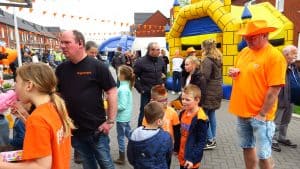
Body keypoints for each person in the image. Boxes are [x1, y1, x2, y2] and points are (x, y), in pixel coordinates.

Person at [228, 20, 287, 169]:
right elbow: (246, 74)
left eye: (252, 37)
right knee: (247, 147)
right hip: (242, 112)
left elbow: (274, 89)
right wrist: (235, 73)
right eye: (246, 37)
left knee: (264, 155)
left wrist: (262, 114)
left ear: (265, 35)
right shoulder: (244, 52)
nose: (247, 40)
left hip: (261, 117)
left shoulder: (274, 56)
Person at [56, 30, 117, 169]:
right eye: (61, 42)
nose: (62, 46)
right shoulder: (61, 69)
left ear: (80, 44)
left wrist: (110, 121)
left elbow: (112, 92)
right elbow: (57, 95)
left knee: (106, 164)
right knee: (88, 164)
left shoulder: (98, 66)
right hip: (75, 130)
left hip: (97, 129)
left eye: (67, 42)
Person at [0, 63, 75, 169]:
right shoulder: (56, 106)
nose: (14, 87)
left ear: (29, 85)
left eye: (16, 82)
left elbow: (41, 166)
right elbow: (47, 134)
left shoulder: (38, 119)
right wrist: (25, 116)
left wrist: (2, 165)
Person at [142, 85, 180, 168]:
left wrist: (177, 147)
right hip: (153, 146)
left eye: (166, 99)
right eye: (161, 100)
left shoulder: (172, 112)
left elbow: (177, 130)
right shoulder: (149, 113)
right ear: (152, 101)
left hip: (168, 146)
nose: (165, 102)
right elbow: (145, 130)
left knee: (166, 164)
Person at [127, 101, 172, 169]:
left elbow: (130, 156)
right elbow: (168, 157)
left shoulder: (134, 134)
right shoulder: (165, 137)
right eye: (164, 118)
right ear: (159, 121)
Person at [174, 84, 208, 169]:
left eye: (187, 100)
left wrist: (192, 159)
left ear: (197, 100)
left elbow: (201, 142)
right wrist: (176, 148)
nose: (184, 102)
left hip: (190, 160)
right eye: (182, 99)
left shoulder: (201, 119)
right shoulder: (183, 113)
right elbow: (179, 133)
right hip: (182, 155)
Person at [272, 45, 298, 152]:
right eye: (294, 54)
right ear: (286, 55)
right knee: (277, 120)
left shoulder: (293, 67)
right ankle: (272, 140)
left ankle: (281, 138)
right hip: (281, 97)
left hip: (291, 98)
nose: (296, 56)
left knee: (286, 120)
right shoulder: (280, 65)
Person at [134, 42, 166, 126]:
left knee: (159, 111)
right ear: (151, 50)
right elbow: (134, 77)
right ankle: (140, 131)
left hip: (159, 92)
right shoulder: (140, 62)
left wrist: (163, 82)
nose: (159, 51)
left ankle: (157, 130)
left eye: (159, 49)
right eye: (157, 50)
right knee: (144, 112)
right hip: (146, 92)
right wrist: (141, 90)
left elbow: (164, 73)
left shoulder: (161, 60)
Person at [201, 39, 223, 150]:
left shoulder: (207, 61)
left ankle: (209, 140)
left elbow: (205, 77)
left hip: (208, 91)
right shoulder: (218, 58)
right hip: (217, 89)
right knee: (212, 114)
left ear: (205, 47)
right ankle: (213, 137)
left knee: (204, 115)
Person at [114, 65, 134, 165]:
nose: (117, 75)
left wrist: (111, 106)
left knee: (121, 137)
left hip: (122, 118)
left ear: (122, 75)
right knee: (128, 134)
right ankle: (138, 145)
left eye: (118, 73)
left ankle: (122, 157)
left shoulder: (122, 89)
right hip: (126, 117)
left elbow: (122, 106)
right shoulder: (127, 86)